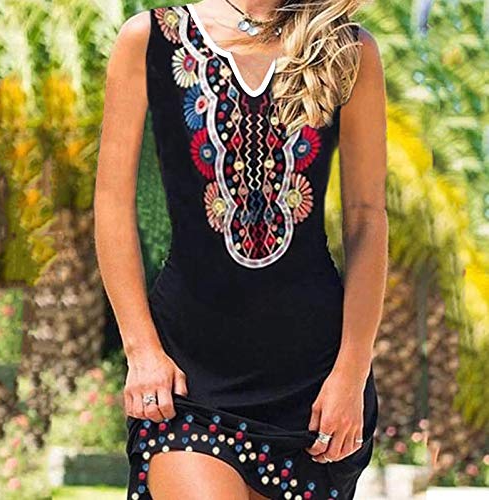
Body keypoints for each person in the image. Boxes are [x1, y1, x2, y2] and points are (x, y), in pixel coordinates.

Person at [94, 0, 387, 498]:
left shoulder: (346, 49)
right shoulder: (151, 39)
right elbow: (111, 201)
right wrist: (141, 350)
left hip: (312, 386)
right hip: (188, 377)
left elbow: (366, 218)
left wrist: (351, 373)